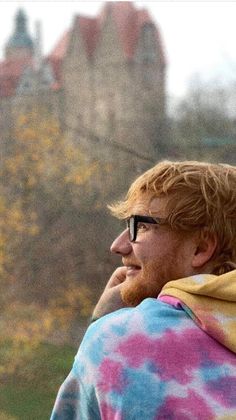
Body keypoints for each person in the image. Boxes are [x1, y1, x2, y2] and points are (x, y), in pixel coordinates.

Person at [50, 160, 236, 419]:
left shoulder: (120, 341)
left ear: (201, 249)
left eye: (141, 226)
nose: (119, 245)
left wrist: (102, 327)